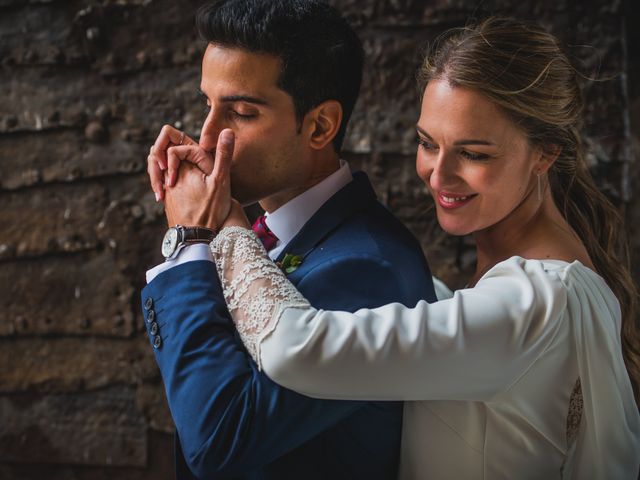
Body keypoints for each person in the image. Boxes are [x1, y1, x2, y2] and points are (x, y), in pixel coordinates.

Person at [174, 17, 640, 479]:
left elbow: (297, 351)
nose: (439, 176)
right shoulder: (509, 290)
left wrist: (220, 228)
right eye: (427, 143)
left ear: (545, 152)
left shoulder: (538, 302)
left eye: (474, 154)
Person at [142, 0, 436, 478]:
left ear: (320, 125)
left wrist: (189, 241)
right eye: (207, 105)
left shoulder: (367, 269)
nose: (208, 134)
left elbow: (220, 442)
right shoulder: (248, 229)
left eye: (240, 112)